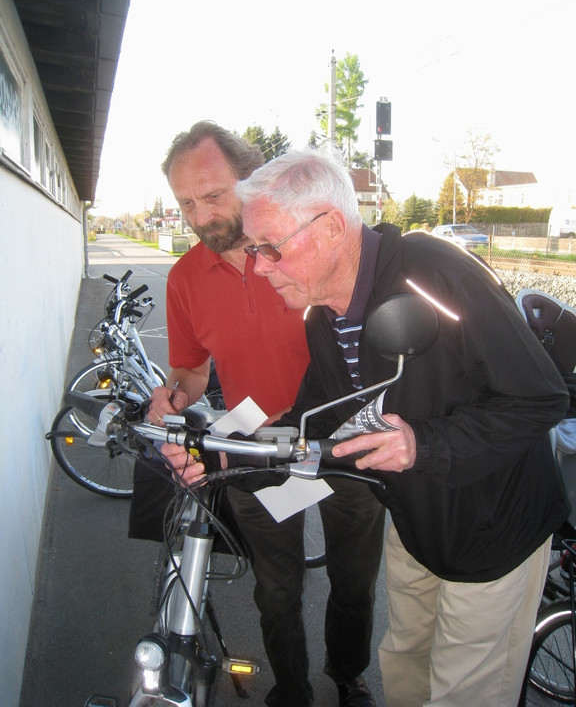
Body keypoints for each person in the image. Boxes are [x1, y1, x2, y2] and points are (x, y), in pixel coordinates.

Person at [166, 146, 570, 707]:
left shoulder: (433, 273)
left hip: (493, 530)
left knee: (463, 692)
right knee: (404, 666)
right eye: (254, 249)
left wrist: (421, 444)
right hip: (414, 524)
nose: (259, 266)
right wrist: (219, 457)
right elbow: (316, 428)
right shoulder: (323, 320)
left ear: (330, 227)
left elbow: (540, 397)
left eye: (270, 248)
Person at [147, 123, 384, 707]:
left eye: (213, 195)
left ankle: (348, 678)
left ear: (251, 181)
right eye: (185, 203)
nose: (200, 217)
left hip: (341, 444)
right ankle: (294, 690)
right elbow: (192, 371)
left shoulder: (303, 247)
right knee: (277, 590)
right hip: (256, 449)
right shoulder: (184, 279)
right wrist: (171, 396)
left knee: (353, 582)